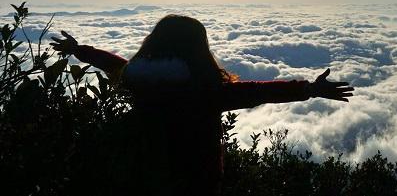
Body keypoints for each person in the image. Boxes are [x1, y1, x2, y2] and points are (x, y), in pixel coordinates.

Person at [50, 14, 353, 196]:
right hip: (197, 184)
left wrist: (80, 50)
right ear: (198, 48)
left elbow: (113, 64)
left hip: (142, 178)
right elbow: (260, 91)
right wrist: (309, 89)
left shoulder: (137, 79)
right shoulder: (205, 91)